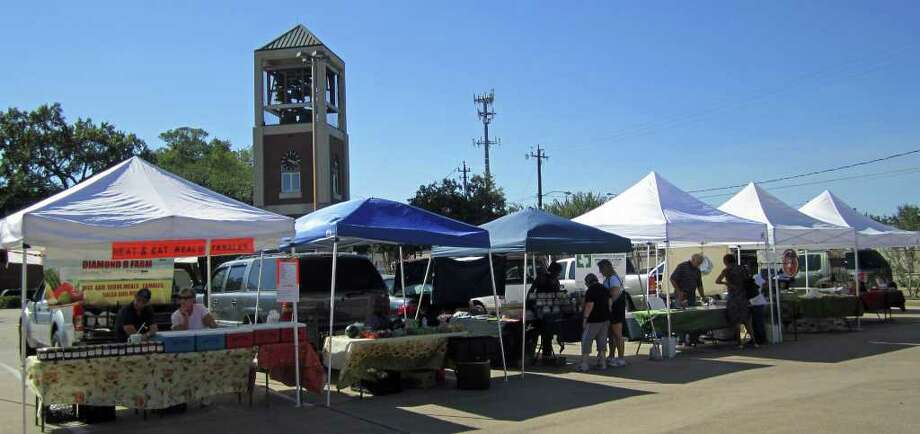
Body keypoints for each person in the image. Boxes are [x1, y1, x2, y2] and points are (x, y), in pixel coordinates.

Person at [715, 254, 757, 349]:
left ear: (726, 261)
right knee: (747, 322)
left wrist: (727, 283)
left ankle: (740, 343)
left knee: (736, 322)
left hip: (733, 298)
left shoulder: (727, 270)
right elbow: (749, 280)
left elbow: (717, 281)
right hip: (744, 297)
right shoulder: (743, 268)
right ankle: (754, 342)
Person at [670, 254, 705, 345]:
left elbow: (699, 285)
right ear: (692, 260)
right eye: (697, 263)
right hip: (681, 296)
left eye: (700, 263)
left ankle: (693, 338)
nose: (698, 265)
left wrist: (703, 296)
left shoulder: (697, 270)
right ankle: (682, 339)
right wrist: (679, 291)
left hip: (692, 296)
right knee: (682, 318)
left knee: (693, 318)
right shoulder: (682, 266)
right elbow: (672, 279)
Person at [578, 273, 610, 372]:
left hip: (594, 320)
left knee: (586, 340)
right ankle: (602, 363)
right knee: (602, 340)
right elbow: (610, 303)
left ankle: (584, 364)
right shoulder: (604, 288)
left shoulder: (590, 290)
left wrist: (585, 318)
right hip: (605, 319)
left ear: (588, 282)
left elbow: (589, 306)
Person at [597, 259, 626, 367]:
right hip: (612, 309)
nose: (600, 272)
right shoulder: (610, 278)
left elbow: (615, 294)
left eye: (601, 269)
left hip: (616, 309)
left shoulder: (613, 278)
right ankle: (612, 355)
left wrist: (607, 306)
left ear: (606, 268)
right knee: (611, 334)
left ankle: (621, 358)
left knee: (617, 334)